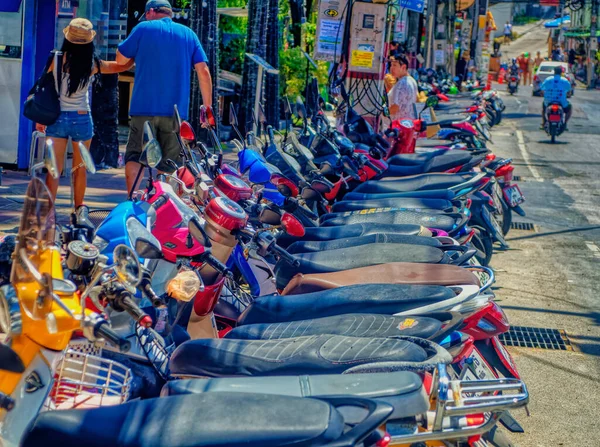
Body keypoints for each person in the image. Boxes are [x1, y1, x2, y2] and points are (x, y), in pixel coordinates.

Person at [35, 18, 133, 225]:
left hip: (57, 118)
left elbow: (44, 86)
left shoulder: (57, 59)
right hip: (81, 119)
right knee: (80, 169)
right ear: (89, 41)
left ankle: (48, 214)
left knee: (54, 169)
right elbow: (119, 66)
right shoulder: (93, 64)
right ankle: (79, 210)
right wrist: (134, 58)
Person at [115, 0, 214, 193]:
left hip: (143, 109)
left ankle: (133, 200)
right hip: (175, 114)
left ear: (151, 11)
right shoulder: (188, 34)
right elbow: (203, 72)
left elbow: (120, 58)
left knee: (136, 156)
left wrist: (137, 57)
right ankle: (162, 206)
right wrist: (207, 108)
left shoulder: (143, 28)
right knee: (169, 164)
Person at [387, 53, 418, 122]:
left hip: (399, 125)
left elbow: (395, 107)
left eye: (395, 65)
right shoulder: (412, 81)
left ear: (403, 67)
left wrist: (383, 113)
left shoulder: (401, 84)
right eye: (391, 65)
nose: (391, 68)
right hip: (409, 123)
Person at [540, 65, 572, 130]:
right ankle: (565, 123)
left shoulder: (548, 79)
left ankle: (544, 122)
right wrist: (568, 94)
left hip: (549, 100)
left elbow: (542, 88)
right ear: (561, 73)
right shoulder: (565, 81)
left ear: (554, 72)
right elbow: (569, 91)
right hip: (561, 101)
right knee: (569, 108)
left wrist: (543, 93)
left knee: (544, 108)